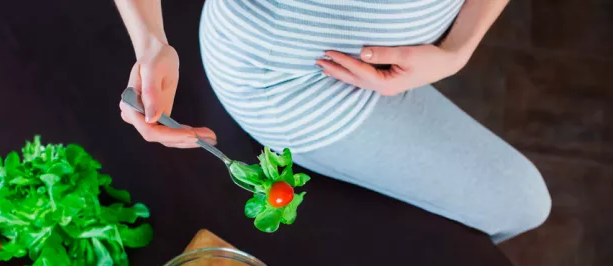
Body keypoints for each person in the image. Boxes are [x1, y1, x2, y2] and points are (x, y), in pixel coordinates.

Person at [114, 0, 551, 243]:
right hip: (296, 83)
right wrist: (151, 43)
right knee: (524, 200)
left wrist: (458, 49)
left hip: (412, 57)